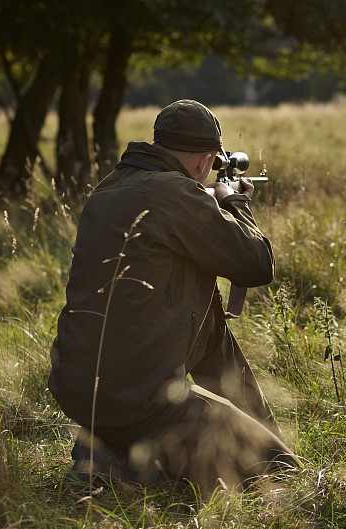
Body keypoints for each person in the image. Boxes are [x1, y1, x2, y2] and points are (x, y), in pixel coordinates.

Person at [48, 99, 298, 490]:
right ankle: (124, 459)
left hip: (78, 386)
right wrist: (236, 203)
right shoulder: (177, 194)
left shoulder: (109, 188)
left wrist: (213, 200)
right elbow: (256, 264)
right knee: (281, 472)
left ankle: (105, 450)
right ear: (204, 161)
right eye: (212, 162)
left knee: (210, 326)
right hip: (143, 394)